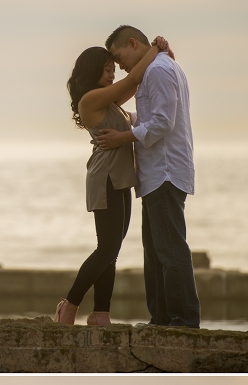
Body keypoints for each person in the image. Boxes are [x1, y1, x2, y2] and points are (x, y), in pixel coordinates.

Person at [55, 34, 170, 327]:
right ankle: (69, 306)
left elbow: (134, 82)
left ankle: (101, 313)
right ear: (93, 71)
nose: (112, 73)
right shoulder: (91, 99)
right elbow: (133, 79)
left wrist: (165, 55)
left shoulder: (111, 101)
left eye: (112, 69)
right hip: (104, 178)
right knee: (106, 249)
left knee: (112, 250)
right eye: (107, 69)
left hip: (121, 179)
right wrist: (155, 48)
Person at [97, 22, 200, 329]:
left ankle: (183, 322)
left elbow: (162, 124)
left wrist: (121, 137)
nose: (120, 66)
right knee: (155, 251)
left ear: (133, 43)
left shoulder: (157, 70)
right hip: (157, 173)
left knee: (169, 250)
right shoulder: (161, 67)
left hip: (165, 171)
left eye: (119, 57)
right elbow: (153, 117)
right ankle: (162, 319)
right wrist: (125, 120)